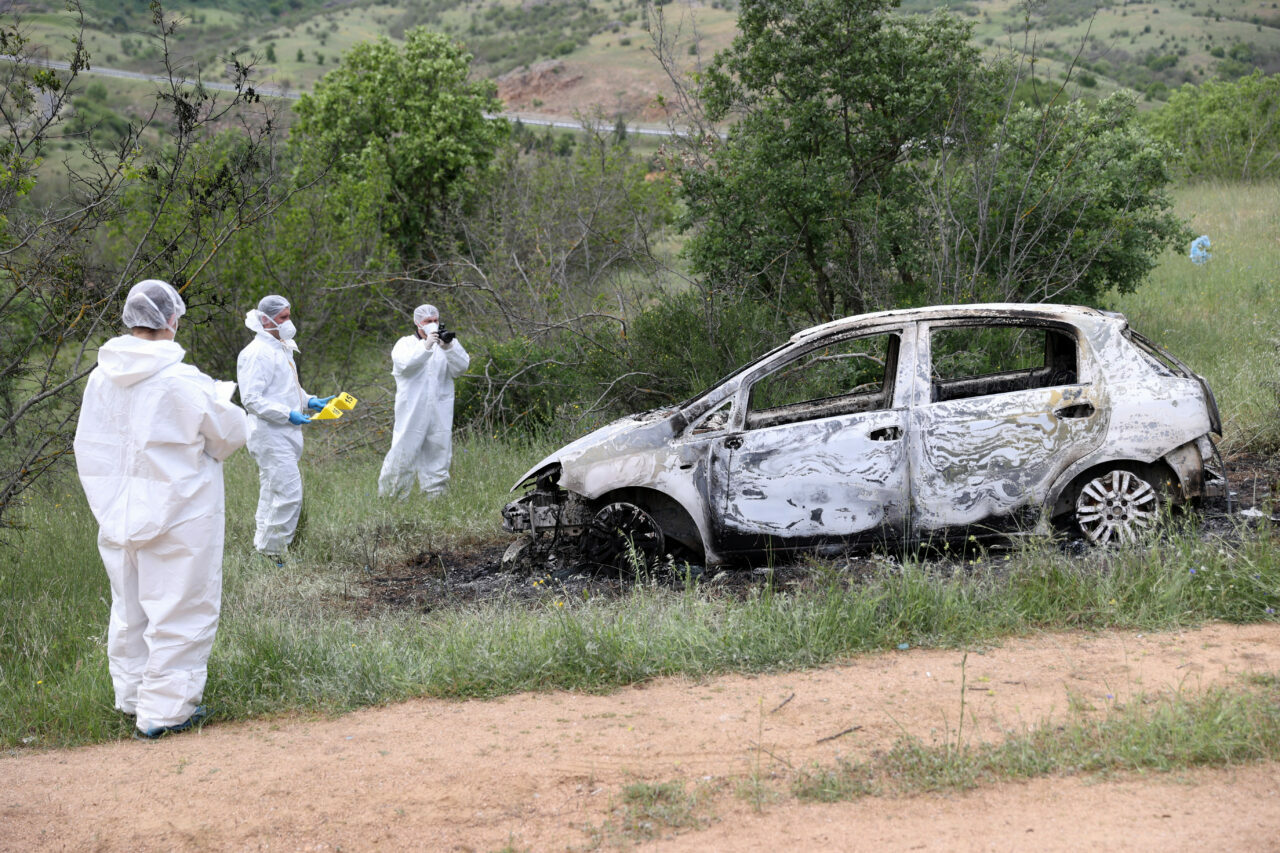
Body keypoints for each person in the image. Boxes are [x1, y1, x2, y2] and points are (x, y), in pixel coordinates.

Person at [74, 279, 247, 739]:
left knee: (129, 608)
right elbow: (229, 436)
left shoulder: (100, 377)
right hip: (180, 512)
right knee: (180, 608)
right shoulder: (182, 381)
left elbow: (90, 443)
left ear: (131, 319)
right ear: (171, 320)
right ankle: (165, 713)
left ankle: (132, 698)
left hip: (116, 513)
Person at [236, 295, 334, 558]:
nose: (288, 322)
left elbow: (286, 389)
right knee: (290, 495)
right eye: (283, 318)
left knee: (271, 492)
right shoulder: (256, 354)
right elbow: (252, 399)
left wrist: (308, 400)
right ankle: (273, 553)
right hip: (269, 434)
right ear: (266, 320)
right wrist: (287, 414)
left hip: (284, 433)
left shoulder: (282, 347)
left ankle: (263, 547)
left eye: (289, 316)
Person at [378, 304, 470, 498]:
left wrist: (449, 348)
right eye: (428, 321)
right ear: (418, 323)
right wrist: (426, 345)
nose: (433, 324)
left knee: (439, 455)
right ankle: (392, 500)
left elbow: (462, 367)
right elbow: (406, 365)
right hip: (412, 410)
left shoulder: (446, 344)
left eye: (435, 320)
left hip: (440, 409)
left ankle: (435, 498)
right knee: (403, 454)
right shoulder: (405, 344)